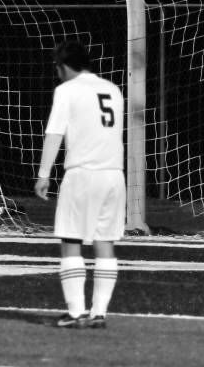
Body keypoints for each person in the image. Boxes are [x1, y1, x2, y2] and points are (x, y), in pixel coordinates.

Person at [35, 39, 125, 329]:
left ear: (62, 66)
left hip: (83, 174)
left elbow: (54, 133)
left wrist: (44, 174)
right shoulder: (112, 89)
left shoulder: (67, 90)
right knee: (105, 242)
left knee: (71, 241)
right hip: (114, 175)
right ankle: (99, 313)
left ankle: (75, 313)